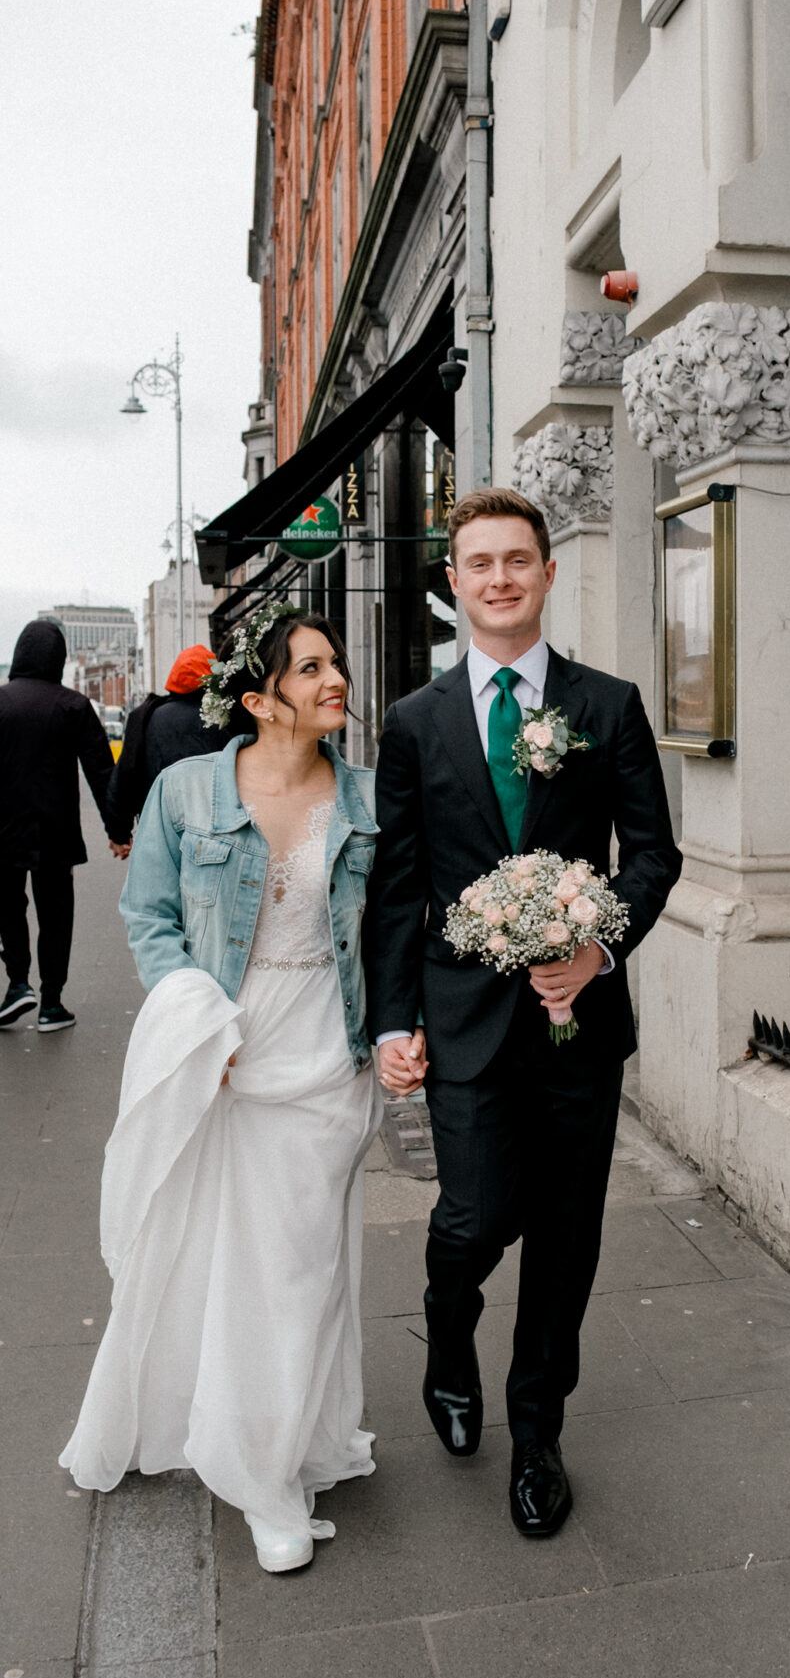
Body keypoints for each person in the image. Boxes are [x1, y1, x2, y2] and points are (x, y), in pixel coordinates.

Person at [365, 487, 682, 1538]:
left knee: (564, 1234)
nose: (498, 578)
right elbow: (397, 883)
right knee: (470, 1218)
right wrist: (392, 1021)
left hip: (578, 1026)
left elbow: (654, 853)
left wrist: (598, 949)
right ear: (452, 584)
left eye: (517, 560)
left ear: (547, 574)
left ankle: (536, 1431)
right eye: (478, 563)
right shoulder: (413, 723)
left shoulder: (606, 705)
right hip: (460, 1016)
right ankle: (448, 1336)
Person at [60, 606, 383, 1575]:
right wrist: (196, 1019)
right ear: (257, 698)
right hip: (224, 1052)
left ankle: (278, 1461)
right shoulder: (184, 792)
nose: (337, 681)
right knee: (209, 1258)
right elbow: (148, 915)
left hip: (327, 1052)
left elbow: (399, 925)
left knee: (301, 1267)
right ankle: (246, 1453)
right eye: (312, 668)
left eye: (337, 664)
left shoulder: (369, 798)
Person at [0, 619, 128, 1032]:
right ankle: (51, 1003)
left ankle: (18, 982)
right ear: (59, 658)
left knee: (8, 906)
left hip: (4, 830)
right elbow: (102, 773)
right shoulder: (73, 706)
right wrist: (118, 830)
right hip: (54, 832)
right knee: (56, 915)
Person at [104, 642, 224, 844]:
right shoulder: (225, 718)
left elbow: (124, 777)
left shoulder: (146, 716)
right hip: (217, 830)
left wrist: (119, 834)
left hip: (158, 829)